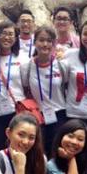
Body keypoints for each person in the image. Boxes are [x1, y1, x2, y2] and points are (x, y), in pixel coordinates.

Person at [0, 21, 29, 154]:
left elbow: (27, 85)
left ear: (16, 38)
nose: (7, 37)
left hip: (16, 110)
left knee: (18, 150)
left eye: (11, 34)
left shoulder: (23, 58)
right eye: (3, 33)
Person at [26, 25, 66, 156]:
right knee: (38, 153)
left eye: (49, 41)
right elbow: (26, 89)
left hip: (59, 113)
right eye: (41, 40)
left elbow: (67, 86)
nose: (45, 44)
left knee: (56, 153)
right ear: (34, 42)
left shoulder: (61, 65)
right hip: (37, 115)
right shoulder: (26, 67)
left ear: (54, 43)